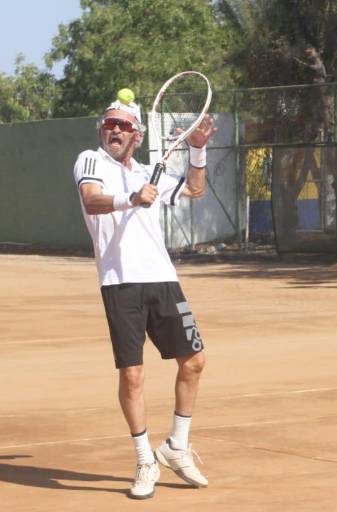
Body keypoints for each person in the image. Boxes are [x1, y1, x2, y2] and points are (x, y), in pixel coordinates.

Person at [73, 92, 216, 499]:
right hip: (120, 283)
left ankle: (176, 446)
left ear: (136, 135)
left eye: (123, 125)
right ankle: (144, 460)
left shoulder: (146, 173)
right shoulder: (90, 160)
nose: (115, 130)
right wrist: (131, 198)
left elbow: (195, 190)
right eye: (110, 124)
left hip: (163, 279)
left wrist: (197, 150)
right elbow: (91, 200)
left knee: (194, 361)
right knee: (133, 375)